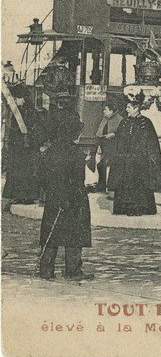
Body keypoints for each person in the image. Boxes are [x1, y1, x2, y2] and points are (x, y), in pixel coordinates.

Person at [38, 117, 93, 281]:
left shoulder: (51, 150)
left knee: (51, 232)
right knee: (75, 235)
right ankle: (73, 270)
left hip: (54, 198)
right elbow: (78, 180)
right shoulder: (76, 153)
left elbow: (41, 176)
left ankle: (46, 270)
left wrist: (52, 191)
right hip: (73, 200)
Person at [108, 90, 161, 216]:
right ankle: (124, 208)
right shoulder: (124, 122)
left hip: (140, 162)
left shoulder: (146, 123)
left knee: (139, 184)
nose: (126, 110)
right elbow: (119, 140)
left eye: (128, 107)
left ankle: (139, 208)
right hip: (125, 160)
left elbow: (152, 143)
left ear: (136, 108)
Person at [2, 82, 45, 207]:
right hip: (19, 146)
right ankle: (19, 195)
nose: (15, 101)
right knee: (18, 170)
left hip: (28, 146)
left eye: (17, 98)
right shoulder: (19, 111)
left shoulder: (30, 111)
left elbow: (34, 128)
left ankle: (28, 197)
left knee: (27, 171)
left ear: (22, 98)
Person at [93, 99, 123, 193]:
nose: (104, 111)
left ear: (111, 111)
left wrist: (114, 134)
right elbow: (99, 134)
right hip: (104, 146)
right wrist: (98, 146)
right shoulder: (104, 119)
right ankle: (101, 185)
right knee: (101, 165)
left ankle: (111, 186)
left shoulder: (120, 120)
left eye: (106, 109)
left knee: (111, 166)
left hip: (114, 147)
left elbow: (123, 135)